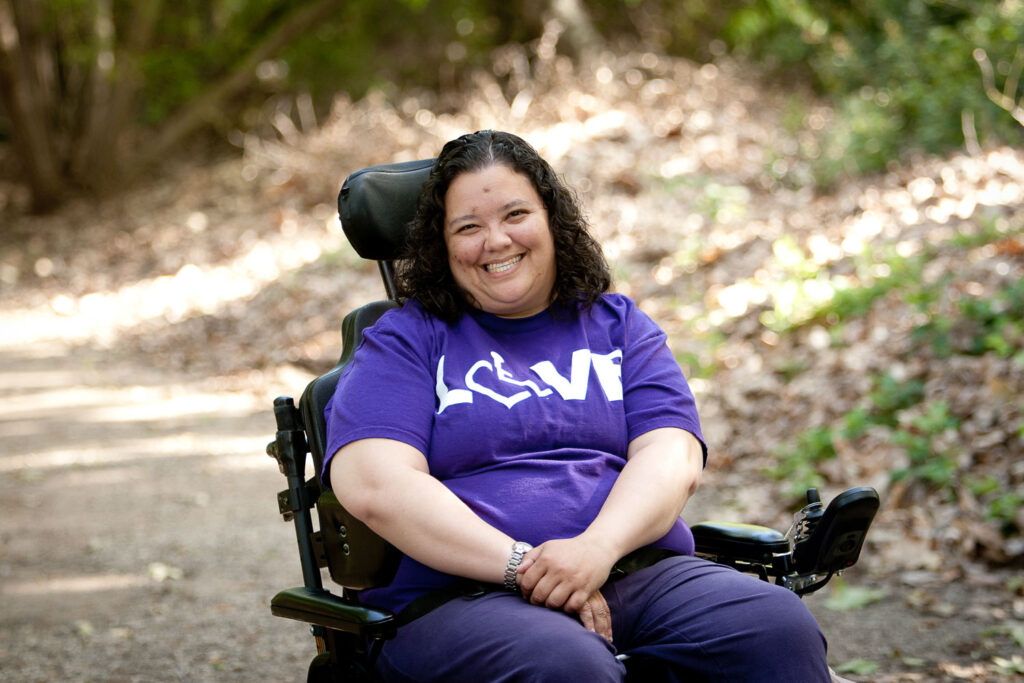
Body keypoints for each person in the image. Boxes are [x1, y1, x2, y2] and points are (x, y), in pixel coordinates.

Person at [323, 130, 830, 681]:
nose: (495, 240)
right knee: (563, 666)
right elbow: (373, 482)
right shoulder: (406, 340)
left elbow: (672, 457)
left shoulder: (617, 326)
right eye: (468, 227)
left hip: (635, 569)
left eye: (515, 214)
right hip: (460, 596)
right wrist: (526, 569)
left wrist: (596, 550)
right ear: (442, 247)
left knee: (777, 626)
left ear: (551, 220)